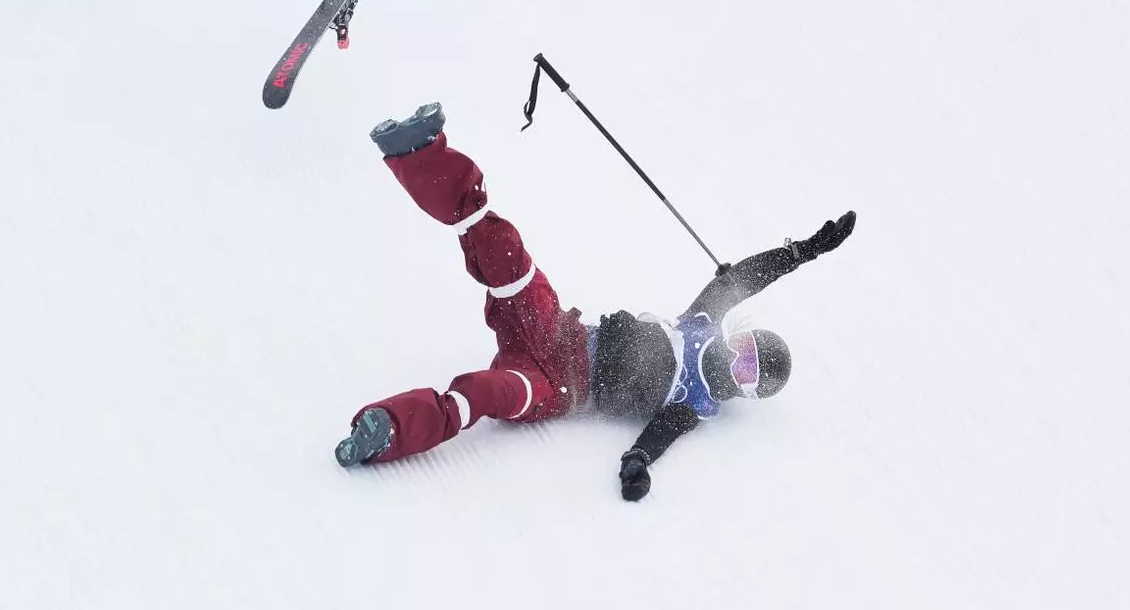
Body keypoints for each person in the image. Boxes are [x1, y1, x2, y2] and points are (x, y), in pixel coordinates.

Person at [335, 102, 857, 502]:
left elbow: (655, 438)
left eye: (746, 369)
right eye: (744, 346)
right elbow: (745, 275)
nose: (735, 359)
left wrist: (636, 464)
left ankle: (386, 431)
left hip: (560, 389)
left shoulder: (694, 402)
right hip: (563, 334)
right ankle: (419, 153)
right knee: (508, 262)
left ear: (747, 390)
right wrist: (805, 250)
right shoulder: (701, 323)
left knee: (485, 395)